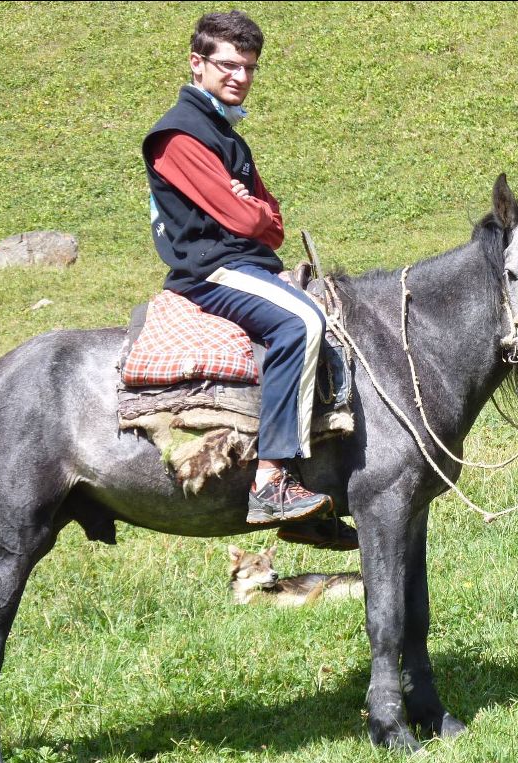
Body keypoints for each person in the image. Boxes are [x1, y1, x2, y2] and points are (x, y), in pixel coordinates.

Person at [143, 10, 335, 528]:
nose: (240, 77)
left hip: (242, 260)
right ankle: (271, 481)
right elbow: (245, 215)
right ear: (196, 64)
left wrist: (254, 212)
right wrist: (249, 209)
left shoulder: (224, 135)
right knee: (302, 323)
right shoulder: (180, 136)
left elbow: (271, 224)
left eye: (249, 67)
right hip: (210, 271)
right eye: (227, 65)